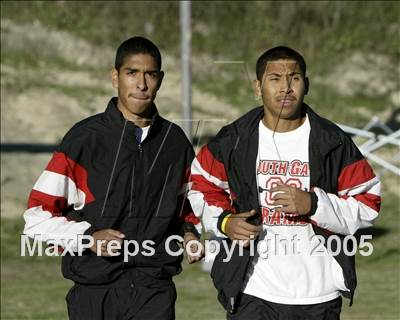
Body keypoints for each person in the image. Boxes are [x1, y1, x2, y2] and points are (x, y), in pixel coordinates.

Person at [188, 46, 381, 319]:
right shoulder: (234, 139)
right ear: (258, 86)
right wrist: (224, 222)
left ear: (307, 85)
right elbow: (201, 184)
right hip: (253, 289)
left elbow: (368, 202)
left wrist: (314, 204)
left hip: (318, 293)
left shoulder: (333, 141)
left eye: (295, 78)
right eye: (275, 78)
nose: (286, 87)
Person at [23, 36, 202, 320]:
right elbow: (36, 218)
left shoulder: (175, 143)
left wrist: (190, 233)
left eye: (150, 74)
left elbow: (188, 209)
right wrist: (89, 237)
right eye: (132, 73)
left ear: (161, 79)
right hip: (95, 293)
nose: (141, 84)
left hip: (154, 292)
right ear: (115, 77)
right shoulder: (84, 140)